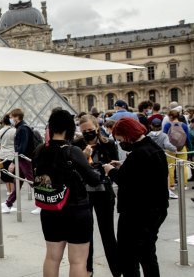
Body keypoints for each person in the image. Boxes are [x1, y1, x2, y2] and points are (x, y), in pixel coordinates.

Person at [34, 109, 100, 277]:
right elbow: (94, 180)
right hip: (76, 209)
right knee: (78, 261)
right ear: (69, 128)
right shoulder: (72, 151)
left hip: (50, 209)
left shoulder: (40, 150)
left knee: (52, 257)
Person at [103, 118, 168, 277]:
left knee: (128, 257)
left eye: (120, 140)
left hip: (136, 214)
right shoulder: (153, 148)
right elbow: (140, 176)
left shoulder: (139, 154)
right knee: (147, 254)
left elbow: (125, 181)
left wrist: (110, 170)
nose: (120, 144)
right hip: (156, 210)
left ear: (127, 135)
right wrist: (123, 166)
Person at [72, 115, 120, 277]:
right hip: (83, 194)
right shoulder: (76, 145)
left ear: (97, 128)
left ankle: (117, 270)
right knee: (86, 235)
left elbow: (115, 166)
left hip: (104, 192)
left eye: (90, 130)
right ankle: (88, 270)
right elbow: (72, 170)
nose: (87, 133)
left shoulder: (108, 144)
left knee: (108, 234)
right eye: (84, 131)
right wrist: (84, 157)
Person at [3, 108, 37, 213]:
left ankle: (43, 203)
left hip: (25, 159)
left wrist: (13, 162)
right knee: (17, 182)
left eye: (11, 117)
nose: (10, 119)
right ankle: (8, 204)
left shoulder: (23, 128)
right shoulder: (21, 127)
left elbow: (22, 148)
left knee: (32, 182)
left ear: (17, 117)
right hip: (23, 159)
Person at [147, 117, 178, 199]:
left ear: (151, 126)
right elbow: (167, 145)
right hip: (161, 157)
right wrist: (174, 149)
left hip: (149, 157)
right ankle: (166, 191)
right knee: (165, 175)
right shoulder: (164, 135)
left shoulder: (148, 136)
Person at [163, 109, 191, 191]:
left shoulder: (167, 125)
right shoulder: (184, 125)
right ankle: (184, 184)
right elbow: (187, 138)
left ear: (171, 116)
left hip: (170, 148)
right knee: (184, 165)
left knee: (171, 166)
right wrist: (189, 147)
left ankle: (171, 185)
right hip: (182, 148)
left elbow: (165, 137)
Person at [0, 114, 16, 195]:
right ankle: (13, 191)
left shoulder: (1, 131)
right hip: (11, 154)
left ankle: (8, 191)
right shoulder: (14, 130)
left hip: (2, 154)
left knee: (5, 173)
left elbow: (0, 142)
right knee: (11, 174)